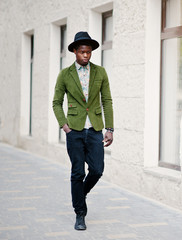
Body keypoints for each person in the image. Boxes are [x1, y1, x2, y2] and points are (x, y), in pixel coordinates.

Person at [52, 31, 114, 231]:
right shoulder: (65, 74)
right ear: (74, 52)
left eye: (88, 52)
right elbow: (56, 103)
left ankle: (80, 194)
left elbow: (107, 101)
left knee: (97, 170)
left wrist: (110, 128)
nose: (86, 56)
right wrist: (64, 125)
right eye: (82, 52)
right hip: (75, 130)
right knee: (77, 173)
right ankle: (80, 213)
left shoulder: (101, 72)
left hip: (95, 129)